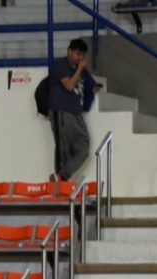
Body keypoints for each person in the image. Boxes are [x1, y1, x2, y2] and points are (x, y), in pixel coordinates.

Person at [48, 38, 101, 181]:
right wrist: (79, 69)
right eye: (78, 54)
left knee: (83, 147)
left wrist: (93, 89)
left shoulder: (81, 70)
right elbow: (69, 86)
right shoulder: (60, 65)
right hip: (61, 111)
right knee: (63, 148)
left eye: (83, 55)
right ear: (69, 52)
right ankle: (59, 182)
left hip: (76, 113)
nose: (80, 58)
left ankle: (62, 177)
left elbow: (89, 84)